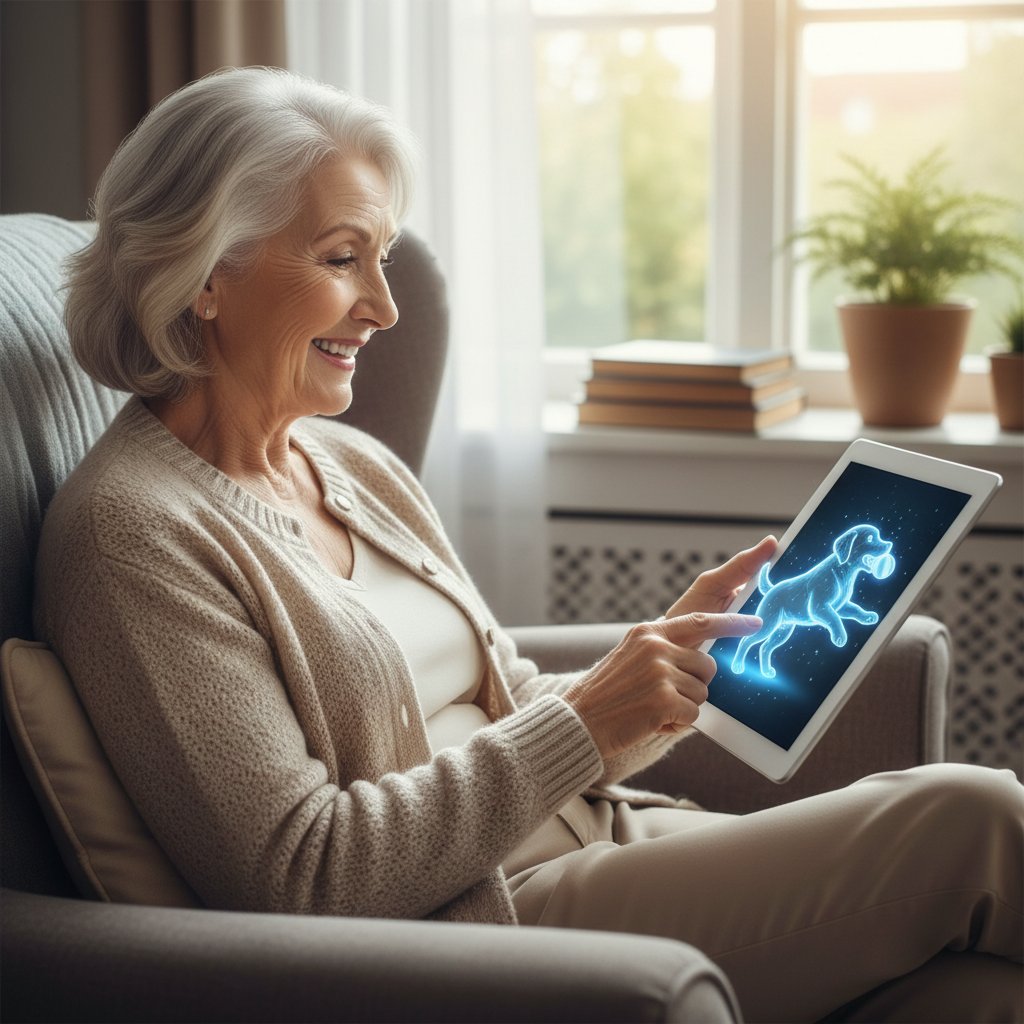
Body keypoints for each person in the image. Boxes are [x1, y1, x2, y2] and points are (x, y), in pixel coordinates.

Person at [35, 67, 1021, 1023]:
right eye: (342, 260)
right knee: (967, 815)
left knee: (977, 995)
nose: (382, 306)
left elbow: (508, 703)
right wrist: (587, 720)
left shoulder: (352, 464)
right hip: (491, 920)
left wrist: (669, 666)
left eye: (382, 258)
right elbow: (306, 876)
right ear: (207, 276)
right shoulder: (133, 534)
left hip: (615, 837)